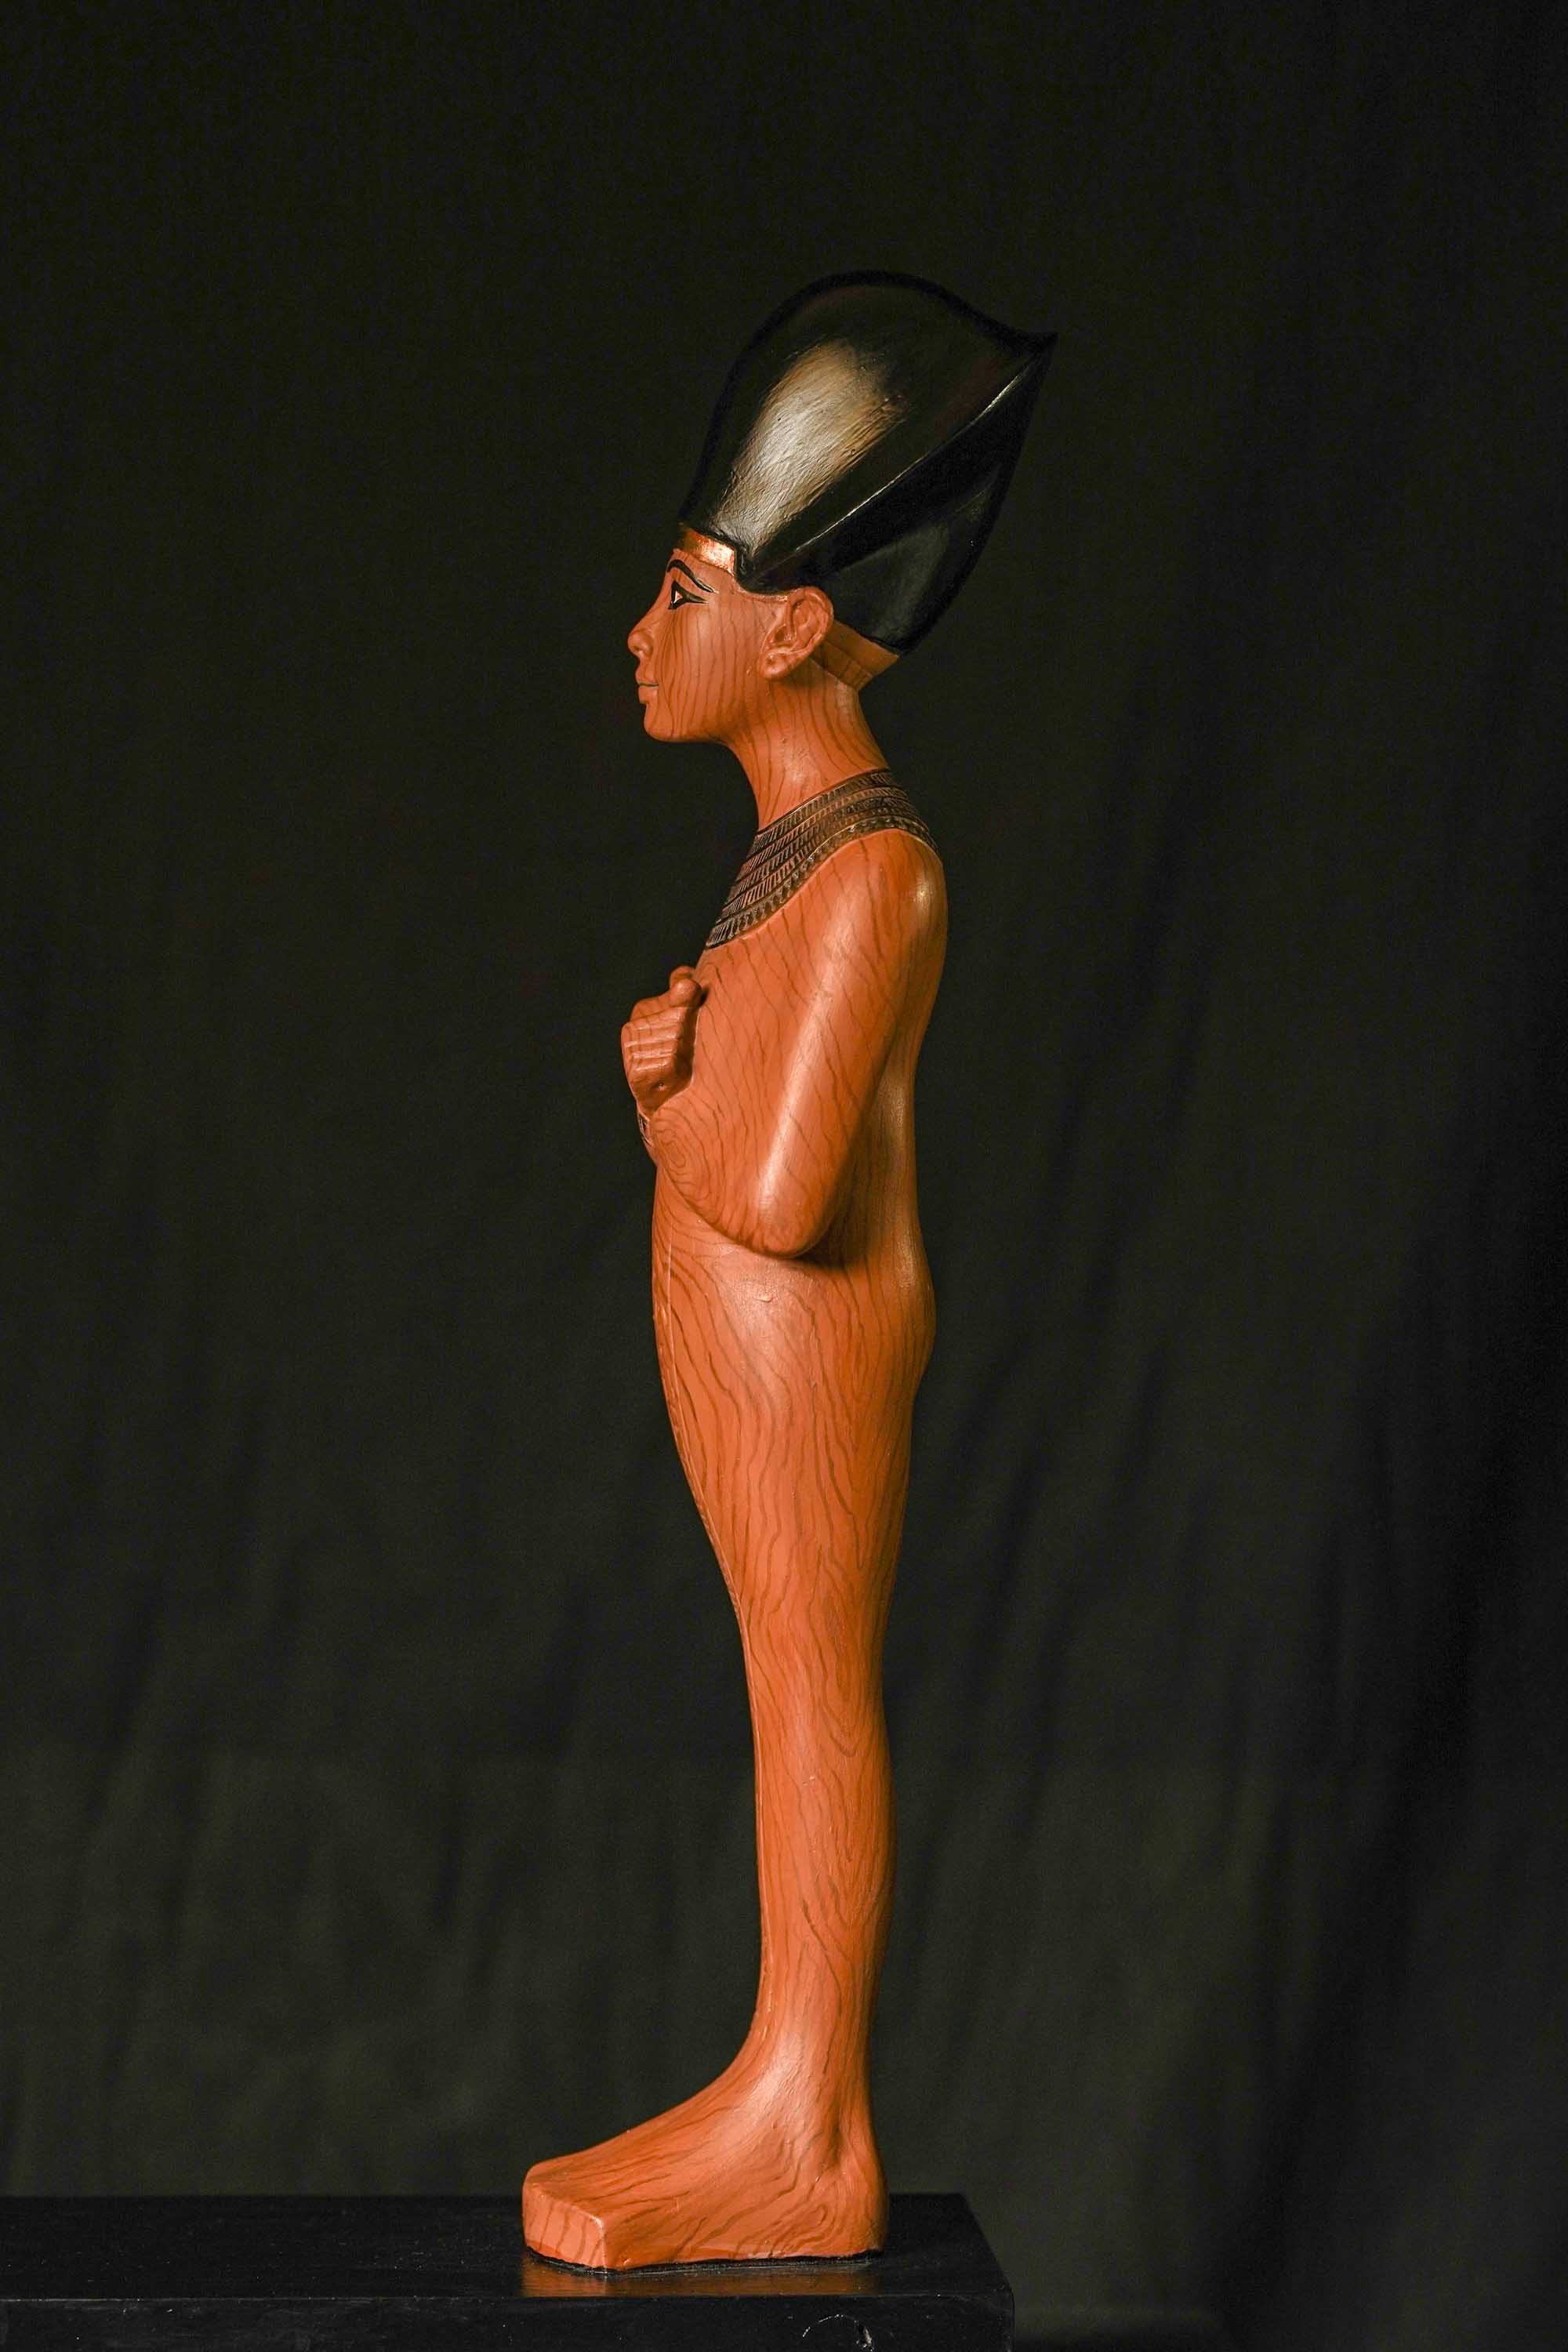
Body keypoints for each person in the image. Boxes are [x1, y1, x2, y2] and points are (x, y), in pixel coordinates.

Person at [524, 275, 1051, 2269]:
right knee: (784, 1693)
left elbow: (778, 1189)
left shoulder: (869, 871)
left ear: (794, 624)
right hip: (763, 1374)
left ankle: (813, 2123)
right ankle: (777, 2077)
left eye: (681, 595)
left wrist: (662, 1085)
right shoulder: (800, 852)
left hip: (808, 1361)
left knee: (811, 1695)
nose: (641, 635)